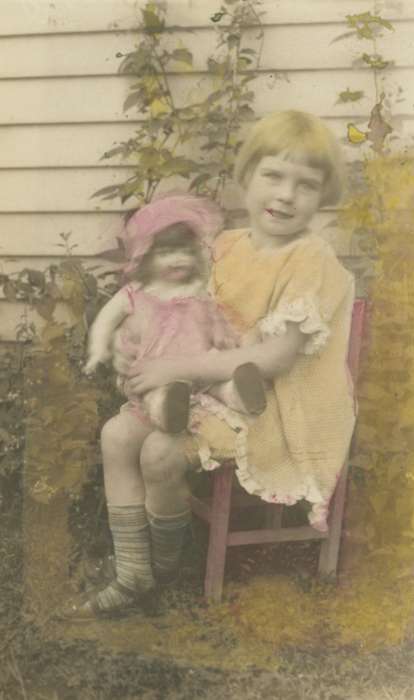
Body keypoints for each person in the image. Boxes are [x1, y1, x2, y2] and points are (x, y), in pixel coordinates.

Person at [62, 110, 356, 620]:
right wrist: (136, 341)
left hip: (271, 402)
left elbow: (277, 357)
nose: (286, 195)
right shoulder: (222, 247)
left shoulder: (312, 260)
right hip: (198, 381)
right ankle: (135, 572)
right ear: (246, 178)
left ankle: (169, 570)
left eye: (305, 185)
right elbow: (173, 304)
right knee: (115, 435)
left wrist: (179, 365)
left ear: (322, 197)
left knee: (159, 452)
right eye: (273, 176)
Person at [84, 194, 267, 434]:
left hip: (200, 366)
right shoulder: (136, 292)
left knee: (219, 385)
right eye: (166, 253)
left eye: (184, 252)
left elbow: (217, 317)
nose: (177, 259)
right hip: (155, 372)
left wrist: (235, 344)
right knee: (156, 396)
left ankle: (241, 395)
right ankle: (170, 409)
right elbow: (106, 320)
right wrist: (98, 350)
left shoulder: (197, 288)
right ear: (147, 256)